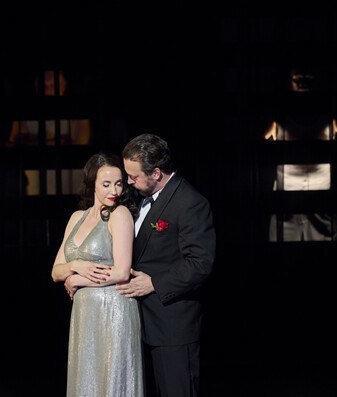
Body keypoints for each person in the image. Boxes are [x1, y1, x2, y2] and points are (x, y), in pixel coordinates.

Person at [116, 133, 216, 397]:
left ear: (157, 173)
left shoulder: (190, 202)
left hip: (173, 327)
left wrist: (154, 282)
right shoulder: (142, 198)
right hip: (142, 323)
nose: (128, 181)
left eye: (133, 176)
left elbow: (200, 263)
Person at [50, 152, 142, 397]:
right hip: (85, 314)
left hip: (114, 310)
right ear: (92, 184)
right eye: (106, 184)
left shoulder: (119, 214)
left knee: (111, 383)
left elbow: (122, 271)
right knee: (87, 380)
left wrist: (76, 279)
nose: (115, 190)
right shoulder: (76, 218)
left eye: (119, 183)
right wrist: (76, 264)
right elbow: (55, 271)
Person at [264, 67, 337, 241]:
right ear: (288, 82)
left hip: (320, 191)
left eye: (308, 78)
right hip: (288, 191)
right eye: (297, 78)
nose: (302, 84)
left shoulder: (330, 117)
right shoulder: (278, 119)